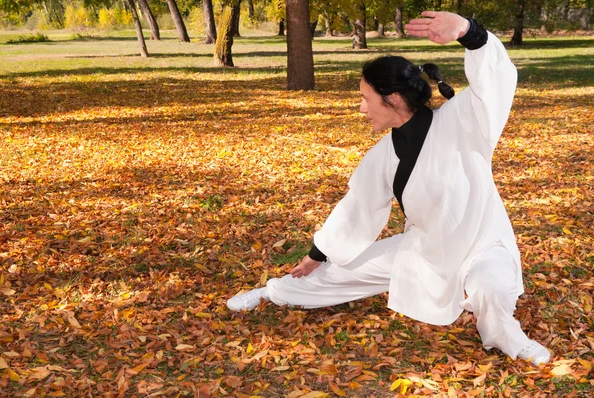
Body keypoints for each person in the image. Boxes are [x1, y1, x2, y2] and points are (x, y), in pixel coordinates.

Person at [226, 11, 551, 366]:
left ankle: (510, 338)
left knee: (490, 287)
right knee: (338, 272)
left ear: (393, 99)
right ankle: (273, 293)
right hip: (424, 247)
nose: (361, 107)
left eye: (366, 98)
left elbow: (496, 83)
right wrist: (318, 254)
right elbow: (358, 209)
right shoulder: (382, 156)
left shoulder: (463, 121)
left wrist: (468, 32)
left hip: (483, 243)